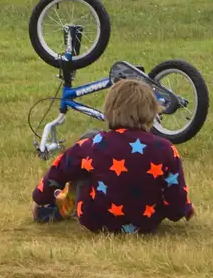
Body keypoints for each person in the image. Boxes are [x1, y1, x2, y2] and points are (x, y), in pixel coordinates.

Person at [32, 79, 192, 233]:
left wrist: (40, 197)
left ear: (109, 110)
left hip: (94, 220)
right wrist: (183, 210)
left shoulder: (94, 144)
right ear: (152, 113)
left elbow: (59, 170)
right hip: (146, 223)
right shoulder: (165, 148)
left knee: (82, 157)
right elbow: (176, 197)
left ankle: (65, 204)